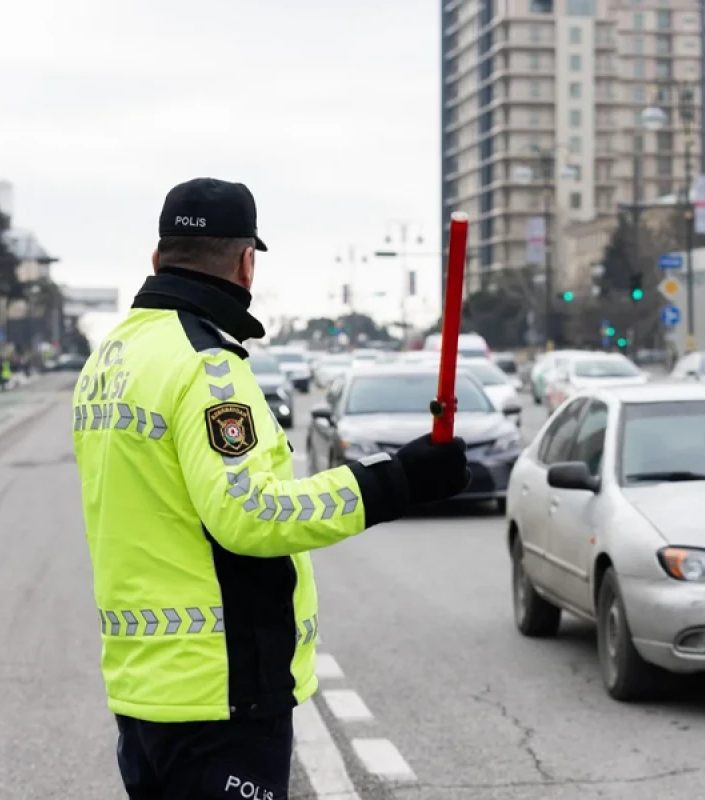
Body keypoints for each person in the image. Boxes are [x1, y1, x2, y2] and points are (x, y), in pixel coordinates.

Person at [71, 177, 470, 800]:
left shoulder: (111, 358)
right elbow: (250, 514)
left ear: (156, 257)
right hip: (218, 692)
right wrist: (398, 481)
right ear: (246, 263)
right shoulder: (207, 366)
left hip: (142, 688)